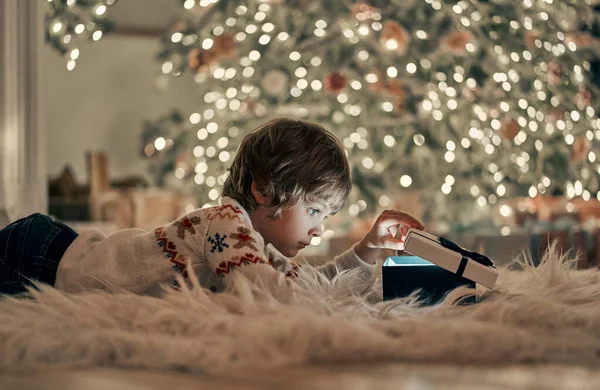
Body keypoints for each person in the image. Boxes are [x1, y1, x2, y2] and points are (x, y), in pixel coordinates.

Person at [0, 117, 423, 297]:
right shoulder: (225, 227)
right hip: (41, 256)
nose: (318, 230)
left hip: (51, 252)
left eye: (326, 218)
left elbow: (313, 283)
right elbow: (270, 294)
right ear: (262, 190)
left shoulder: (256, 244)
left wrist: (369, 248)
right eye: (314, 211)